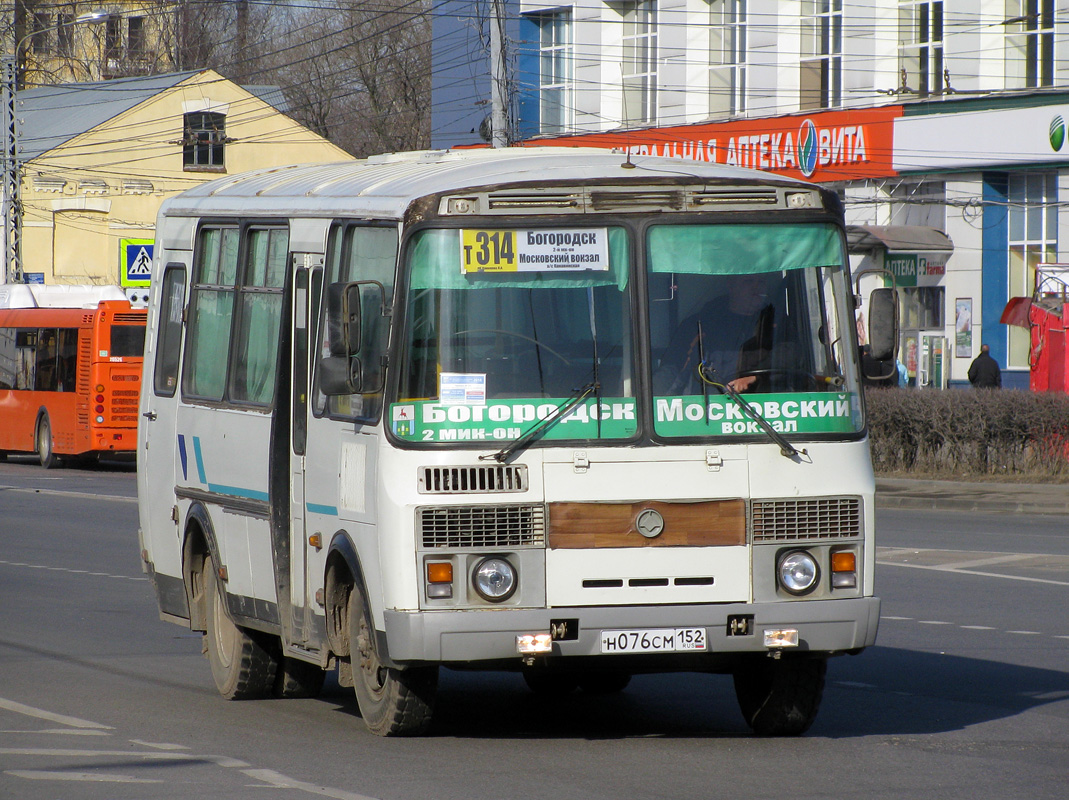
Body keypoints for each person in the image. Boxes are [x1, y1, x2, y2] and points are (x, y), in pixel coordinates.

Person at [656, 272, 781, 395]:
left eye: (762, 282)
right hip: (706, 408)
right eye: (748, 281)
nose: (756, 287)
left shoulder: (777, 323)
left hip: (765, 406)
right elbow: (671, 369)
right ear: (731, 285)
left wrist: (756, 377)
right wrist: (651, 398)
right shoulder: (698, 326)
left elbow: (791, 357)